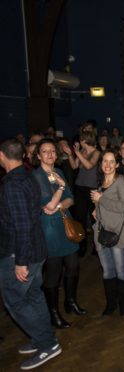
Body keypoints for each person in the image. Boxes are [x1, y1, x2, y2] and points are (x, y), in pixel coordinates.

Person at [0, 138, 62, 370]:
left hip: (21, 253)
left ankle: (48, 344)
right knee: (33, 296)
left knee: (15, 300)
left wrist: (21, 261)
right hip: (36, 249)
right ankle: (42, 339)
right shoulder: (27, 177)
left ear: (1, 156)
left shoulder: (13, 184)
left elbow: (22, 224)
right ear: (25, 155)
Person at [32, 139, 84, 329]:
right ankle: (53, 313)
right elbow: (48, 206)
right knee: (53, 271)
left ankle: (70, 302)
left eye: (52, 151)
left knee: (73, 266)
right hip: (49, 228)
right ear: (38, 156)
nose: (50, 154)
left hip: (65, 222)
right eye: (45, 151)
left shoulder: (59, 172)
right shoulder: (36, 177)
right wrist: (60, 190)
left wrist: (61, 203)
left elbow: (70, 199)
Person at [91, 149, 124, 316]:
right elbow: (101, 208)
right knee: (107, 271)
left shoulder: (120, 181)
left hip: (117, 234)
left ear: (117, 164)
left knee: (121, 270)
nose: (107, 165)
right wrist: (96, 210)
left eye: (111, 161)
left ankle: (123, 304)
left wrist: (102, 199)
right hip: (101, 233)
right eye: (104, 161)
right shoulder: (101, 183)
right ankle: (110, 304)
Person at [66, 131, 100, 256]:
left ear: (85, 141)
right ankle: (82, 245)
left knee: (93, 218)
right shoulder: (83, 152)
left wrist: (78, 153)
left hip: (92, 189)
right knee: (79, 217)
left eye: (81, 140)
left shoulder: (96, 153)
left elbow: (89, 166)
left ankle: (97, 246)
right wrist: (70, 155)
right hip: (80, 187)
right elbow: (75, 166)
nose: (79, 142)